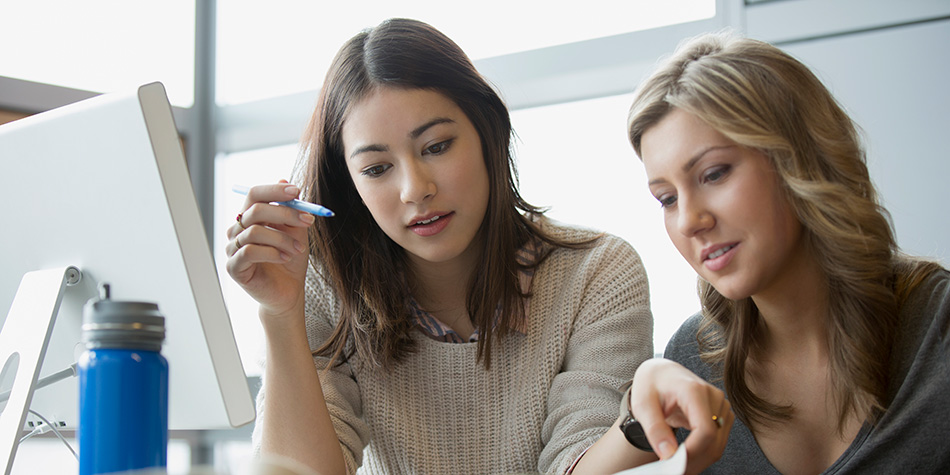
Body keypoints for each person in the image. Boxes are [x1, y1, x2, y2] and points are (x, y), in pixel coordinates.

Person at [224, 18, 653, 475]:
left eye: (437, 146)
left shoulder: (597, 274)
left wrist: (642, 423)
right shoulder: (323, 290)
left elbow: (586, 458)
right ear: (350, 186)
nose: (415, 189)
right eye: (375, 169)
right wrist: (279, 312)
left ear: (489, 133)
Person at [607, 30, 948, 474]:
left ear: (798, 159)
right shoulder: (692, 361)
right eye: (667, 199)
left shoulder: (936, 331)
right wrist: (636, 412)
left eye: (714, 173)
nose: (690, 220)